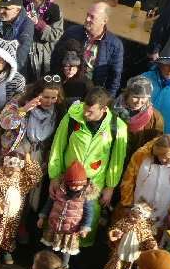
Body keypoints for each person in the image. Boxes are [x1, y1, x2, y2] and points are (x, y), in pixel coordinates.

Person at [47, 87, 128, 238]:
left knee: (86, 222)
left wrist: (110, 187)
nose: (85, 114)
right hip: (67, 180)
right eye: (85, 108)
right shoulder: (72, 117)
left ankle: (78, 250)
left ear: (103, 109)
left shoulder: (118, 127)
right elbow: (58, 146)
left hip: (94, 184)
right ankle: (54, 248)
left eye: (90, 112)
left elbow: (117, 160)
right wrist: (54, 176)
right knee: (59, 216)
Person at [53, 2, 125, 95]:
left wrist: (108, 100)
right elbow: (55, 57)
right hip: (66, 85)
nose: (87, 19)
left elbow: (115, 78)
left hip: (91, 93)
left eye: (92, 17)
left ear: (104, 21)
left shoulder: (115, 45)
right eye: (87, 15)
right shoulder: (72, 33)